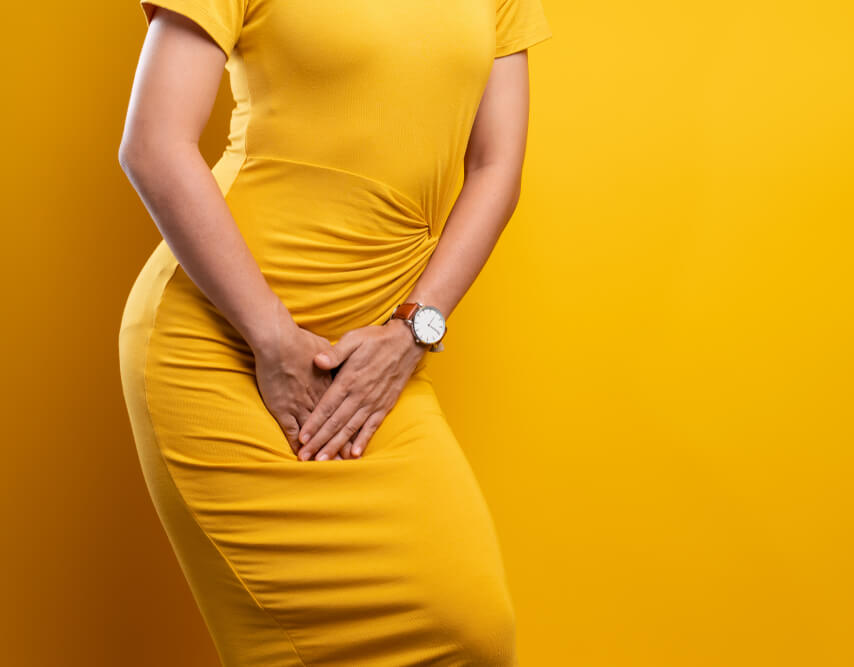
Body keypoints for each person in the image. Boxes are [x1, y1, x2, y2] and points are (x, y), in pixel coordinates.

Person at [116, 0, 553, 664]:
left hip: (379, 362)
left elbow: (497, 167)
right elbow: (152, 144)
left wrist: (413, 332)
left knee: (470, 630)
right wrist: (271, 337)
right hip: (225, 346)